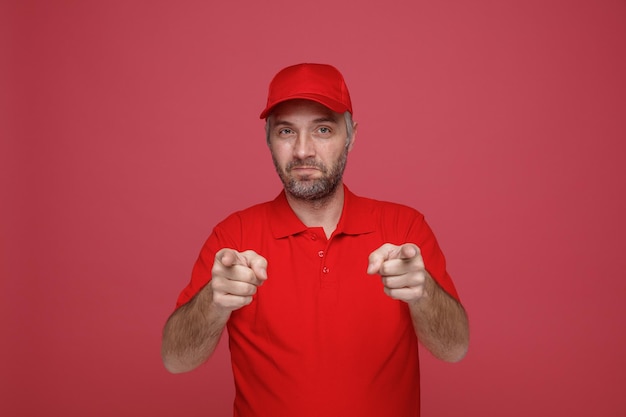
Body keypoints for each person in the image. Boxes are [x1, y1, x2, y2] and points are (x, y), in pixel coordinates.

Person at [161, 63, 469, 417]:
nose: (303, 151)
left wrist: (424, 292)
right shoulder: (234, 238)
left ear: (351, 136)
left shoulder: (404, 228)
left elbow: (454, 348)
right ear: (268, 141)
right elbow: (175, 360)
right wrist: (212, 303)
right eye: (286, 131)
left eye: (323, 129)